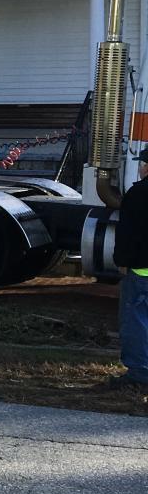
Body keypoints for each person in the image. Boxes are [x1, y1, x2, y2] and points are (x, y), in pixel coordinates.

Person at [111, 147, 148, 389]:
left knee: (136, 321)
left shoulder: (139, 193)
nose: (142, 167)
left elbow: (127, 233)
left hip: (142, 271)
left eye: (144, 163)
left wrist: (121, 261)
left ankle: (139, 374)